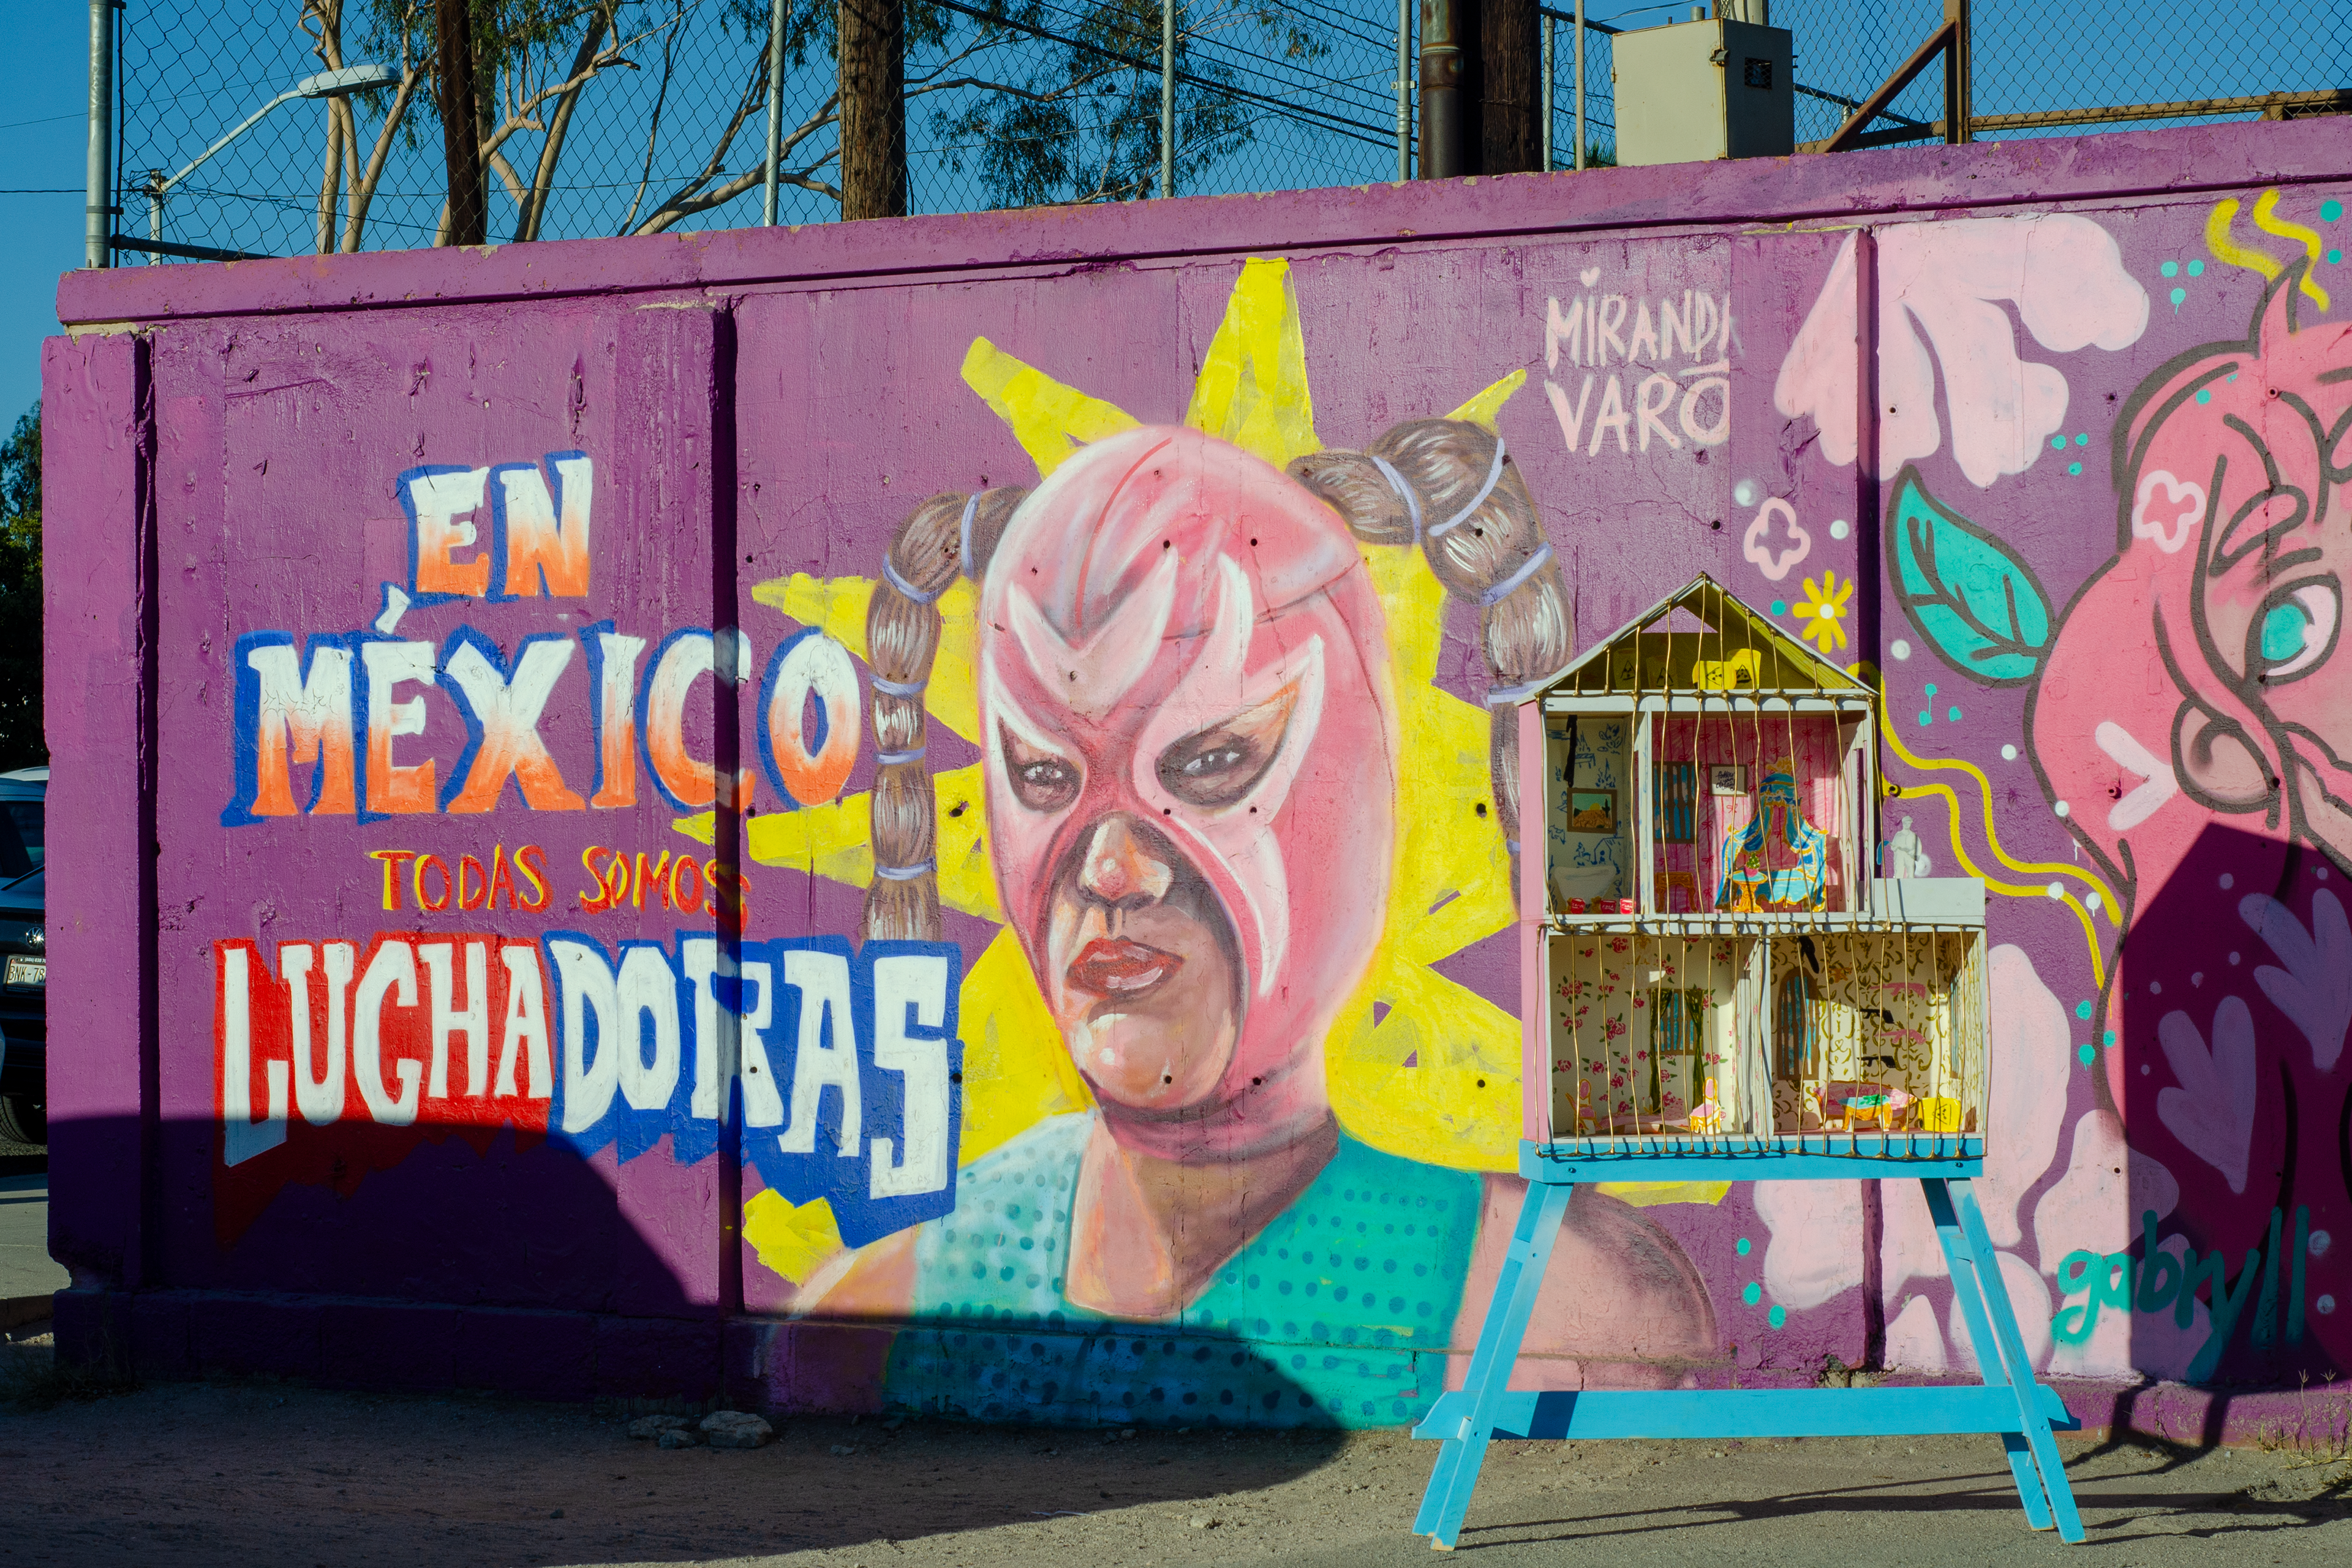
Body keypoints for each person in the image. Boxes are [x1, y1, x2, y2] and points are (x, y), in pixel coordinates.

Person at [797, 420, 1718, 1423]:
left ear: (1366, 799)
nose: (1110, 869)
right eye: (1045, 775)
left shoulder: (1559, 1304)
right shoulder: (879, 1315)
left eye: (1209, 763)